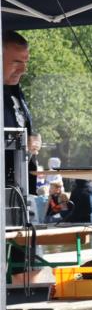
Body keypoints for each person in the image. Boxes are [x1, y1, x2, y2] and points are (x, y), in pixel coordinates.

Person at [3, 30, 38, 198]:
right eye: (16, 62)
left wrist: (32, 139)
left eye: (25, 62)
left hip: (17, 191)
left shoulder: (16, 92)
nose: (23, 69)